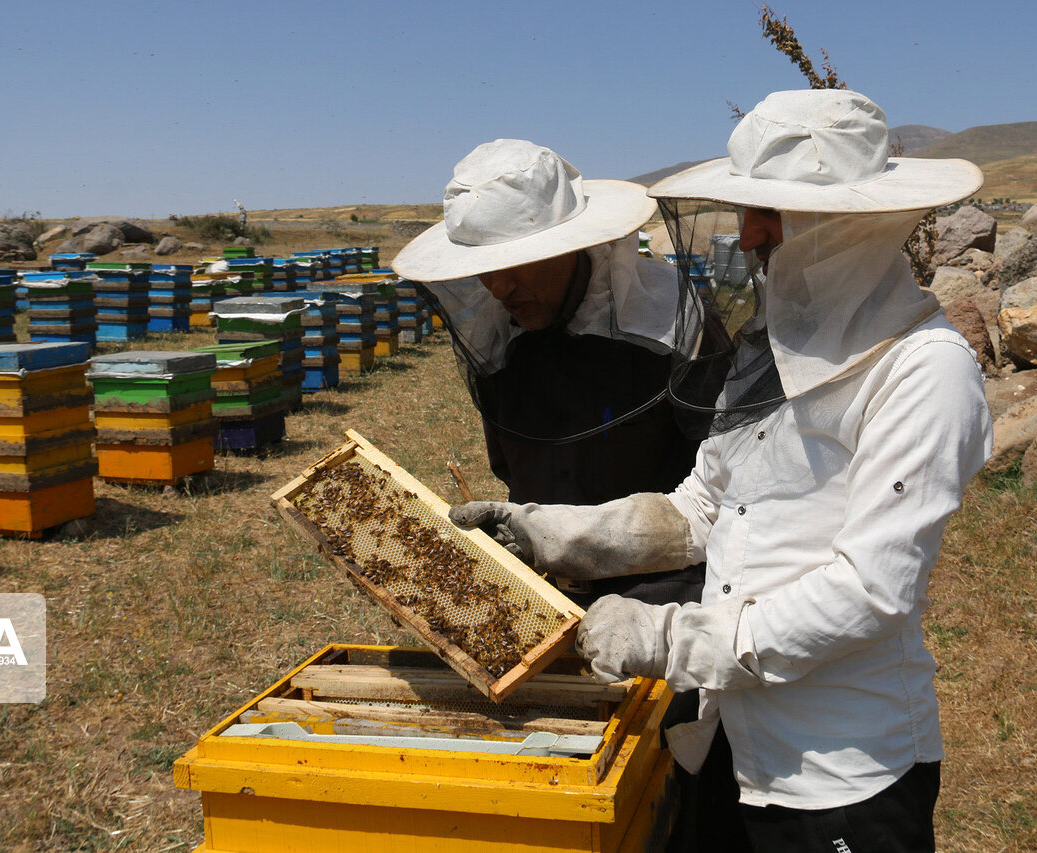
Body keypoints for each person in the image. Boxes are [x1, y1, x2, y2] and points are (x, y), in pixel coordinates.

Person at [449, 91, 993, 851]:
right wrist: (554, 532)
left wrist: (672, 639)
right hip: (731, 738)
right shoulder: (768, 349)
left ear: (858, 222)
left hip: (842, 770)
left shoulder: (925, 369)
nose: (751, 233)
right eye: (746, 208)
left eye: (776, 211)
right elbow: (700, 507)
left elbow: (871, 590)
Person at [392, 138, 724, 609]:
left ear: (572, 246)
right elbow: (511, 466)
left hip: (664, 591)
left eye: (514, 264)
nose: (498, 286)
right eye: (483, 267)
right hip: (542, 587)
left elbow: (723, 486)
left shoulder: (671, 321)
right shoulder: (499, 333)